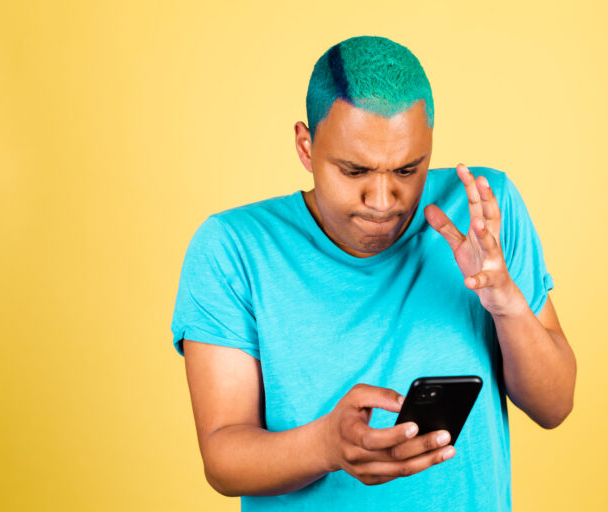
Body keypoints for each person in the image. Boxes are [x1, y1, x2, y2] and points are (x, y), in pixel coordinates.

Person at [170, 35, 576, 511]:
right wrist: (326, 446)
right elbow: (222, 458)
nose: (383, 203)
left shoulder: (482, 212)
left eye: (407, 170)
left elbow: (555, 406)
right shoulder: (233, 247)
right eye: (353, 170)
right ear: (305, 146)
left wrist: (505, 302)